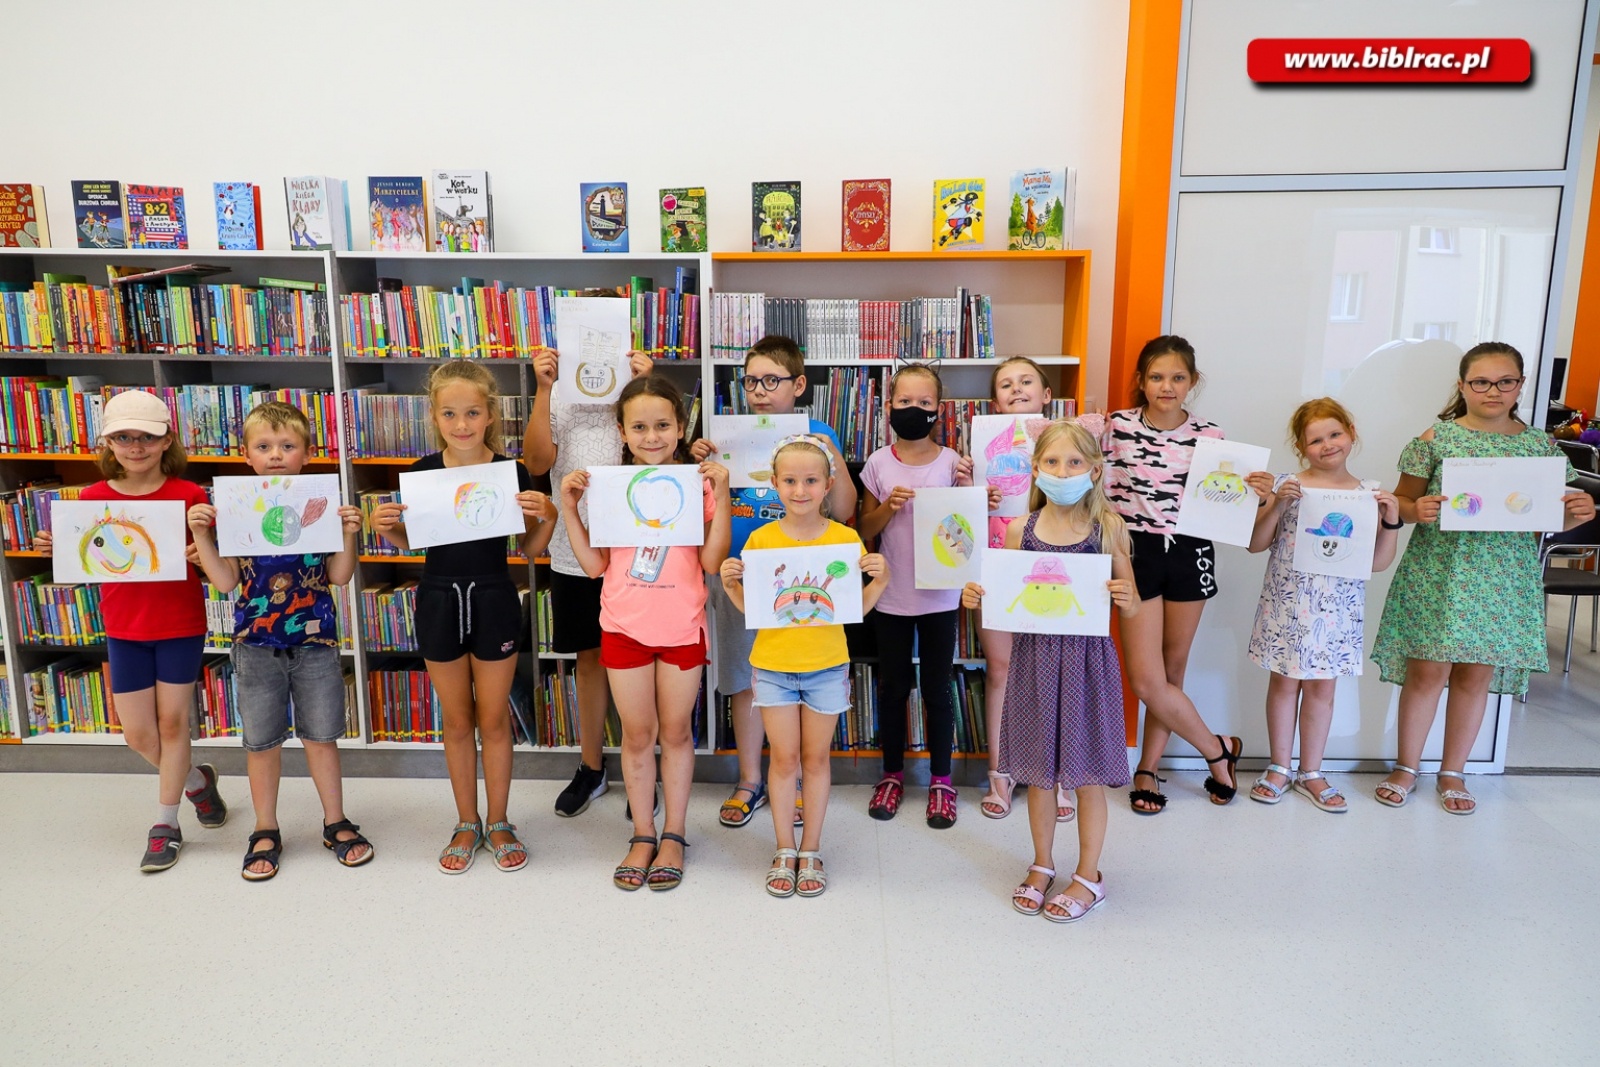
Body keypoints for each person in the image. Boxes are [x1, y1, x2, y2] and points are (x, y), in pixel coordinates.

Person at [1371, 342, 1595, 814]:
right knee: (1426, 672)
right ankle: (1407, 766)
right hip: (1440, 573)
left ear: (1520, 386)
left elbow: (1547, 519)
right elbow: (1401, 503)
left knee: (1476, 675)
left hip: (1503, 577)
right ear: (1462, 386)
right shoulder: (1436, 440)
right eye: (1481, 382)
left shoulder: (1540, 446)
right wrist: (1420, 509)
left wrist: (1576, 513)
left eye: (1505, 381)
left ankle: (1453, 771)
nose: (1493, 391)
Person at [36, 390, 228, 871]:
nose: (135, 446)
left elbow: (215, 564)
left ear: (167, 440)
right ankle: (198, 784)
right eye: (124, 437)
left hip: (180, 624)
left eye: (146, 436)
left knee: (172, 724)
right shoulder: (93, 499)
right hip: (124, 627)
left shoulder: (189, 495)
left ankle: (166, 824)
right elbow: (86, 564)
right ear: (109, 443)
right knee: (139, 735)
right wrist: (57, 552)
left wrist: (200, 554)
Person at [371, 362, 552, 873]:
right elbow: (417, 544)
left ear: (491, 414)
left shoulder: (511, 472)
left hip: (494, 597)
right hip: (438, 599)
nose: (462, 423)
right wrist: (389, 533)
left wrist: (550, 518)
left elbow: (530, 551)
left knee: (493, 721)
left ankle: (499, 821)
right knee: (456, 721)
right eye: (450, 413)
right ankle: (466, 821)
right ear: (435, 415)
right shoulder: (423, 473)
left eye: (473, 412)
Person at [187, 401, 374, 878]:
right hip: (255, 646)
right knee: (262, 742)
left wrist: (350, 533)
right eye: (264, 447)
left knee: (321, 737)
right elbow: (227, 582)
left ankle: (335, 821)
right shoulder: (234, 511)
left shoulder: (319, 504)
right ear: (247, 456)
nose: (275, 455)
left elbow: (339, 574)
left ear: (306, 454)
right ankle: (264, 828)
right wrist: (203, 536)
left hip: (316, 645)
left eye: (287, 446)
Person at [558, 376, 731, 890]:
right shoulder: (611, 487)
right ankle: (642, 832)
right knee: (637, 736)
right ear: (622, 432)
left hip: (680, 629)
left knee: (676, 733)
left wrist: (720, 496)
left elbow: (712, 561)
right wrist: (570, 508)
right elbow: (593, 567)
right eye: (639, 427)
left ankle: (674, 834)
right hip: (624, 628)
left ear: (680, 429)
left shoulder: (695, 485)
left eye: (662, 425)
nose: (651, 436)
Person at [961, 420, 1137, 922]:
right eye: (1053, 463)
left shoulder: (1109, 529)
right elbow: (1004, 596)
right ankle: (1041, 864)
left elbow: (1134, 606)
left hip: (1087, 668)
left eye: (1075, 463)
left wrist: (1126, 598)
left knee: (1085, 779)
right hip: (1035, 663)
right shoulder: (1022, 529)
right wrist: (978, 596)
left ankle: (1088, 876)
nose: (1063, 472)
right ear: (1036, 469)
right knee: (1039, 775)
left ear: (1095, 470)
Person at [1077, 336, 1260, 813]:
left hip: (1189, 551)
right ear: (1141, 380)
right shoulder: (1112, 427)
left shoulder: (1212, 437)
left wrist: (1258, 491)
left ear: (1192, 382)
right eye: (1156, 376)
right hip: (1130, 552)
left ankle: (1148, 768)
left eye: (1178, 377)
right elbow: (1054, 451)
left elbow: (1225, 502)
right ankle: (1218, 750)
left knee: (1172, 670)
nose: (1167, 386)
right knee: (1146, 678)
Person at [689, 334, 855, 831]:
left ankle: (801, 778)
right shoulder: (726, 433)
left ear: (799, 385)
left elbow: (845, 511)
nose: (759, 391)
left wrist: (837, 460)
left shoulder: (818, 433)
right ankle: (750, 779)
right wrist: (701, 461)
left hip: (803, 575)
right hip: (740, 572)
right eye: (751, 381)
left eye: (772, 380)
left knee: (806, 675)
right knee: (747, 679)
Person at [719, 436, 887, 896]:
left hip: (827, 666)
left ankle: (810, 849)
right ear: (773, 484)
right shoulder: (761, 539)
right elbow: (753, 609)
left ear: (828, 484)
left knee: (815, 759)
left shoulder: (844, 539)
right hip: (773, 666)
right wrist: (730, 583)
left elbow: (857, 609)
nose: (800, 490)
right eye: (790, 480)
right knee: (785, 759)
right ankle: (783, 848)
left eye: (810, 480)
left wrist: (882, 580)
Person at [1243, 399, 1401, 812]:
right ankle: (1279, 765)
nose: (1327, 445)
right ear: (1301, 446)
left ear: (1351, 432)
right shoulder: (1287, 486)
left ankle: (1310, 771)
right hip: (1288, 605)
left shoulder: (1368, 494)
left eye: (1335, 434)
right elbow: (1255, 544)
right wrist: (1276, 503)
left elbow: (1378, 563)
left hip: (1337, 612)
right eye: (1315, 440)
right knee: (1283, 684)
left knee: (1322, 689)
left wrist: (1391, 519)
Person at [858, 362, 999, 827]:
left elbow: (967, 525)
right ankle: (892, 774)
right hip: (891, 596)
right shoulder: (879, 463)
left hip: (940, 597)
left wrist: (976, 495)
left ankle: (942, 780)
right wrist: (889, 507)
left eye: (924, 403)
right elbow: (865, 528)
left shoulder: (951, 462)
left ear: (939, 409)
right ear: (889, 407)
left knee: (938, 690)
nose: (913, 410)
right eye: (904, 402)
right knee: (893, 688)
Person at [524, 345, 654, 818]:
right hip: (574, 547)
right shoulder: (557, 394)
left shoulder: (640, 393)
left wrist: (642, 383)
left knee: (642, 653)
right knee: (591, 655)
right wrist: (542, 388)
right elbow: (537, 463)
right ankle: (592, 766)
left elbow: (662, 458)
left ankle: (644, 769)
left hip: (637, 548)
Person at [975, 355, 1074, 823]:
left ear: (1047, 395)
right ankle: (1001, 771)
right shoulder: (980, 446)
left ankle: (1057, 774)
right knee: (1001, 668)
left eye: (1026, 381)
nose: (1016, 389)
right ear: (995, 399)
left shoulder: (1067, 442)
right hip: (997, 559)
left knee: (1054, 674)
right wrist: (970, 490)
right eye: (1006, 384)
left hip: (1053, 565)